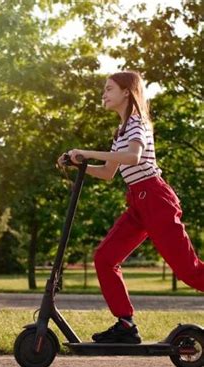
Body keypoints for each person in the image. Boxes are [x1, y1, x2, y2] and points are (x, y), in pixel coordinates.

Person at [57, 70, 204, 344]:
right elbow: (109, 172)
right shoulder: (121, 131)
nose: (104, 93)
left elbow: (133, 158)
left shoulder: (137, 123)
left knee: (190, 271)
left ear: (126, 92)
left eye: (109, 88)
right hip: (137, 202)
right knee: (105, 258)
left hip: (156, 199)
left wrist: (87, 153)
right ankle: (125, 324)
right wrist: (81, 164)